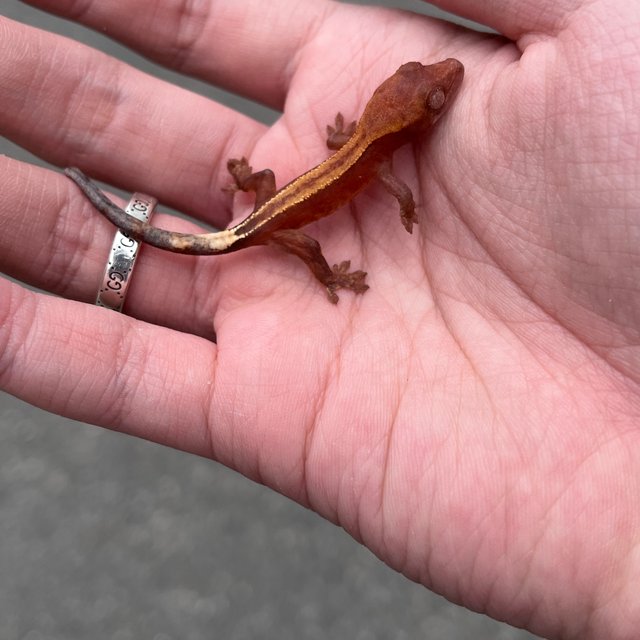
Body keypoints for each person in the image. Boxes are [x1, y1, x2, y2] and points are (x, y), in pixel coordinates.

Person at [1, 1, 638, 638]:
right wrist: (390, 222)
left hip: (272, 200)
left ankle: (249, 191)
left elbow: (354, 148)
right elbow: (396, 187)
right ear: (398, 124)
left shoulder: (364, 142)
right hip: (270, 228)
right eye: (431, 97)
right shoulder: (378, 159)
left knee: (267, 184)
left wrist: (284, 172)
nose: (444, 80)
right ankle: (327, 276)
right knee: (305, 243)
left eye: (432, 92)